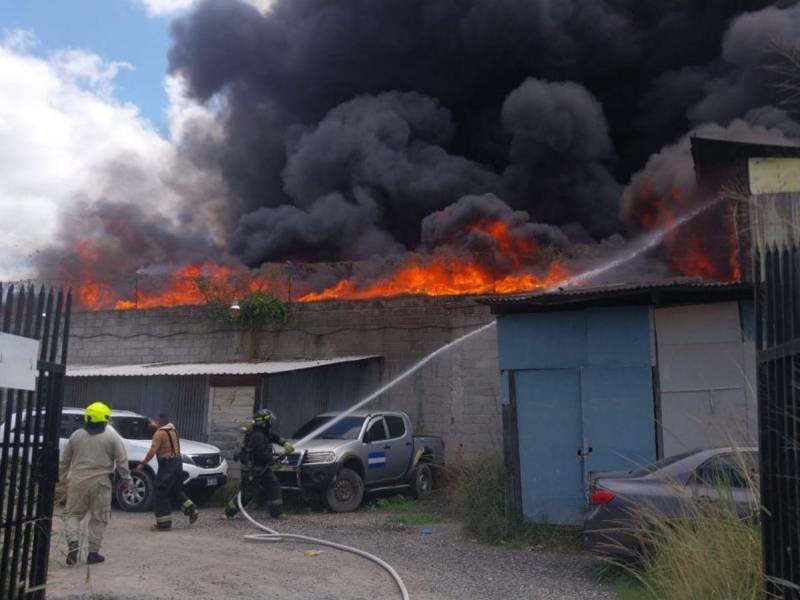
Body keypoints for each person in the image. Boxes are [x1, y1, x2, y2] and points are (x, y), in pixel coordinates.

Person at [59, 401, 133, 566]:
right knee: (99, 518)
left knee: (72, 515)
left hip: (77, 482)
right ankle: (93, 554)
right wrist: (127, 481)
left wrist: (62, 479)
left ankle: (73, 544)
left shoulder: (76, 435)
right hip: (101, 484)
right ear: (105, 419)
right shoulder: (112, 437)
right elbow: (122, 461)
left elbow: (64, 461)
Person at [223, 408, 293, 519]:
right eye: (269, 421)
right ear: (264, 422)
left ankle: (277, 513)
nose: (270, 424)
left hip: (263, 469)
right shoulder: (257, 436)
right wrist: (274, 460)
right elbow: (261, 454)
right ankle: (228, 513)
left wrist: (285, 443)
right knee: (247, 494)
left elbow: (274, 437)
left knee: (274, 487)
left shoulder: (262, 433)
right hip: (252, 470)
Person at [137, 413, 198, 531]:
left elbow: (153, 451)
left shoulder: (159, 434)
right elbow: (163, 430)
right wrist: (155, 425)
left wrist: (142, 464)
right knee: (176, 490)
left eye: (157, 421)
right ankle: (191, 509)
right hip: (178, 463)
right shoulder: (172, 429)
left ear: (160, 421)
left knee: (160, 492)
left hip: (167, 465)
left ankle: (163, 524)